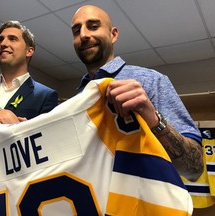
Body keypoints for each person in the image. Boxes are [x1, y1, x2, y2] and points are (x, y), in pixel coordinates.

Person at [71, 5, 203, 181]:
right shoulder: (77, 97)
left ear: (113, 34)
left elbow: (195, 169)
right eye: (76, 30)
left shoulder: (151, 81)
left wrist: (153, 119)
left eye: (93, 26)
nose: (84, 35)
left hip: (141, 206)